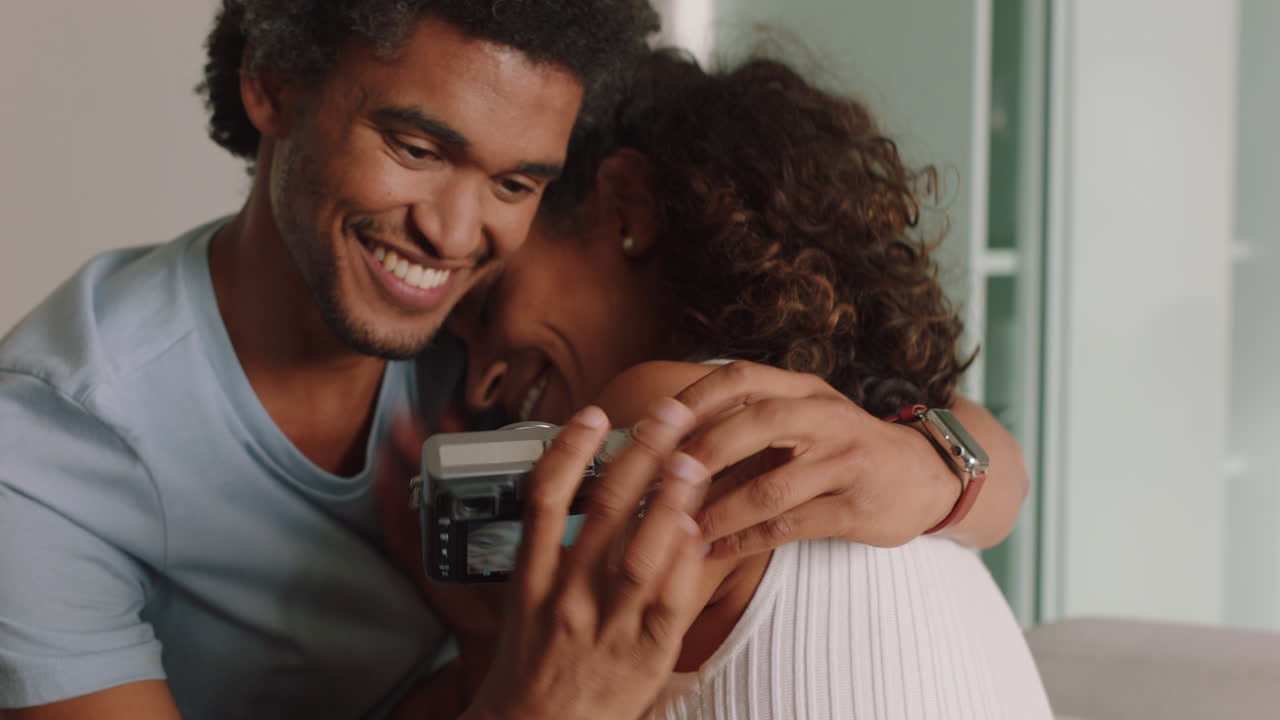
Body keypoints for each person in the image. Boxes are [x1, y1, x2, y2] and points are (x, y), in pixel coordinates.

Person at [0, 3, 1021, 719]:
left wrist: (932, 465)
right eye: (415, 148)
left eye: (516, 182)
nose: (452, 236)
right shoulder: (52, 446)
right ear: (270, 86)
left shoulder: (479, 346)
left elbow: (945, 433)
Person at [411, 50, 1053, 718]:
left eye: (487, 307)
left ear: (625, 210)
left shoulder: (667, 417)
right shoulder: (882, 432)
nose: (480, 386)